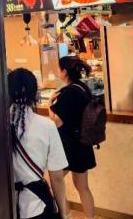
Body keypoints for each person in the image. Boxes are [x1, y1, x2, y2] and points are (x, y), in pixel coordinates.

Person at [9, 68, 68, 219]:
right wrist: (63, 213)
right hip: (36, 206)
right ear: (35, 94)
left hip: (4, 205)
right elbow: (57, 177)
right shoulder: (46, 126)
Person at [49, 56, 96, 219]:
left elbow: (56, 123)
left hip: (69, 146)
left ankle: (65, 215)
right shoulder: (83, 88)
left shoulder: (68, 92)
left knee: (53, 181)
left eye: (59, 69)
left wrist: (50, 104)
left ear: (64, 71)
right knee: (83, 187)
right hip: (83, 144)